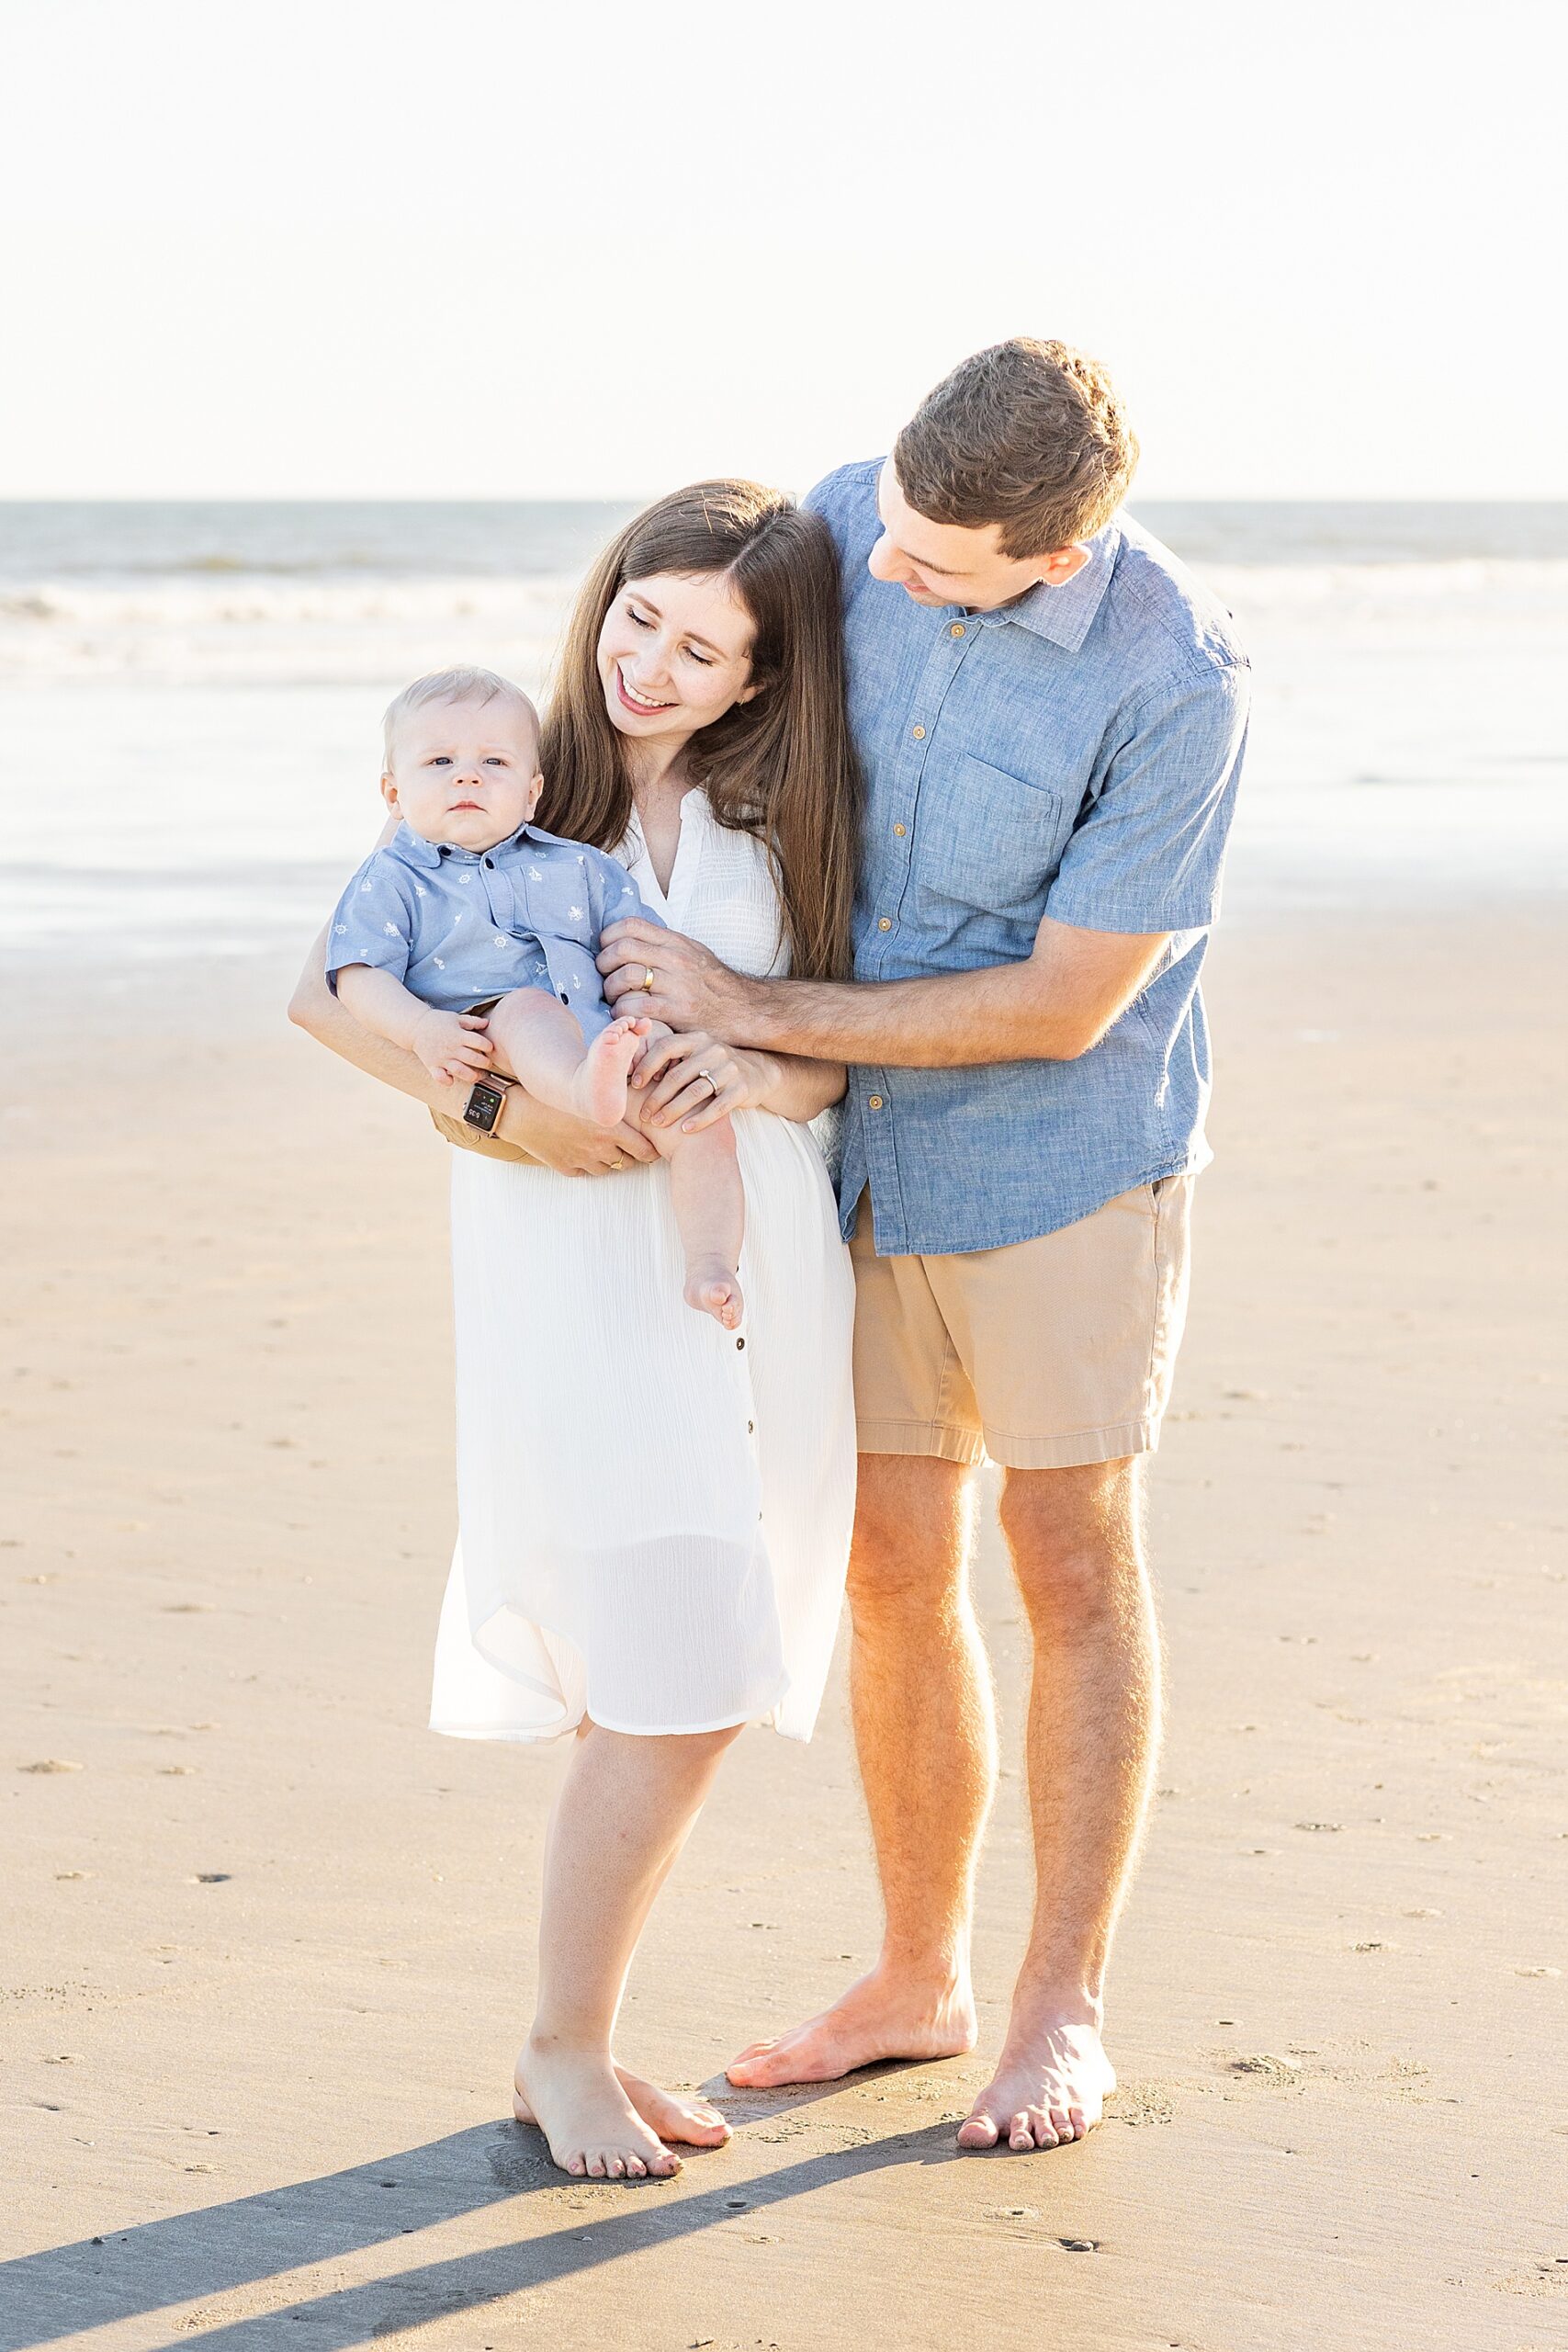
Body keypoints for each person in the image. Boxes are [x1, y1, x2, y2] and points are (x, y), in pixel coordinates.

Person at [598, 339, 1251, 2154]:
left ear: (1051, 552)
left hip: (1058, 1165)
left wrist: (759, 1005)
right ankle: (914, 1976)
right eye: (886, 529)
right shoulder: (843, 519)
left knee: (1065, 1557)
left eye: (938, 563)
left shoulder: (1169, 680)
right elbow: (664, 687)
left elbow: (1061, 1004)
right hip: (838, 1157)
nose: (882, 571)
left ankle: (1058, 2009)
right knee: (892, 1557)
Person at [289, 481, 861, 2180]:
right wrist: (502, 1120)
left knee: (701, 1654)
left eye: (700, 648)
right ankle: (563, 2046)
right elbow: (328, 996)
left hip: (754, 1261)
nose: (650, 665)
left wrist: (752, 1062)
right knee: (672, 1674)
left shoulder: (784, 821)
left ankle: (575, 2037)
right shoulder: (497, 783)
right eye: (637, 618)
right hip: (572, 1268)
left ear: (757, 678)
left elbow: (834, 1048)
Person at [327, 667, 745, 1327]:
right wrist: (419, 1031)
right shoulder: (393, 878)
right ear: (393, 792)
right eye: (439, 761)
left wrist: (642, 1021)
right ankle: (583, 1092)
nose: (467, 776)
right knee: (525, 1009)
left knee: (694, 1113)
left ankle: (712, 1263)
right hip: (491, 1035)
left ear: (530, 792)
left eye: (493, 761)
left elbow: (638, 951)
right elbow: (356, 976)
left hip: (600, 1035)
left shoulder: (578, 865)